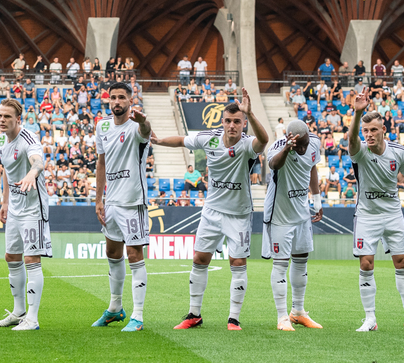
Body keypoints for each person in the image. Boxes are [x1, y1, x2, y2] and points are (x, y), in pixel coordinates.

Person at [152, 90, 269, 330]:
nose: (232, 125)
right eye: (228, 121)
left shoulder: (248, 144)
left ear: (243, 123)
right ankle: (194, 314)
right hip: (212, 211)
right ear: (222, 121)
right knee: (199, 258)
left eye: (237, 121)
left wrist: (251, 113)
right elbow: (182, 140)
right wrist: (159, 141)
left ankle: (233, 319)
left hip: (238, 214)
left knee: (237, 262)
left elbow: (264, 140)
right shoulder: (209, 138)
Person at [348, 89, 404, 332]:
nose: (369, 134)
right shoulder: (360, 151)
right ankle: (370, 319)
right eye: (365, 130)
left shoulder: (399, 152)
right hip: (367, 215)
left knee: (402, 262)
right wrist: (357, 113)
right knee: (366, 264)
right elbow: (351, 140)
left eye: (373, 130)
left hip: (393, 214)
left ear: (383, 129)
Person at [90, 82, 153, 332]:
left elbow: (146, 131)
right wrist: (99, 200)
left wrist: (144, 121)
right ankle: (115, 308)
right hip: (112, 202)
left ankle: (137, 316)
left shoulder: (136, 126)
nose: (116, 101)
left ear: (130, 100)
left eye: (122, 97)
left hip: (133, 202)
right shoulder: (102, 126)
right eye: (113, 97)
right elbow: (101, 163)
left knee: (134, 255)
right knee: (112, 253)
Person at [0, 99, 50, 331]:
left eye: (7, 116)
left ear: (18, 119)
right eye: (0, 116)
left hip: (33, 207)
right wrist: (5, 201)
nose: (2, 120)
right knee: (11, 256)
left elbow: (39, 162)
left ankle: (32, 319)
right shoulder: (0, 140)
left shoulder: (29, 139)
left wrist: (31, 174)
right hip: (15, 206)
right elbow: (7, 171)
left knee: (31, 259)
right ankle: (19, 312)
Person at [262, 120, 324, 331]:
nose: (303, 149)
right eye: (299, 145)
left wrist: (316, 200)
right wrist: (287, 149)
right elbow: (273, 165)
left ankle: (298, 312)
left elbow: (312, 166)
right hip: (280, 215)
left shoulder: (314, 142)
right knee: (280, 264)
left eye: (305, 144)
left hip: (301, 213)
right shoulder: (278, 148)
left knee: (301, 261)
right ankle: (282, 317)